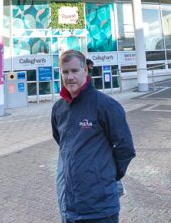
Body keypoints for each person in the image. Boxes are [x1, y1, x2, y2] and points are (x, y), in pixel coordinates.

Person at [52, 50, 135, 223]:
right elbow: (63, 144)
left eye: (74, 71)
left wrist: (106, 175)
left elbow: (125, 149)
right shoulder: (59, 109)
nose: (70, 77)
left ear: (85, 71)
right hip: (70, 207)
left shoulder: (106, 105)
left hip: (100, 209)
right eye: (65, 72)